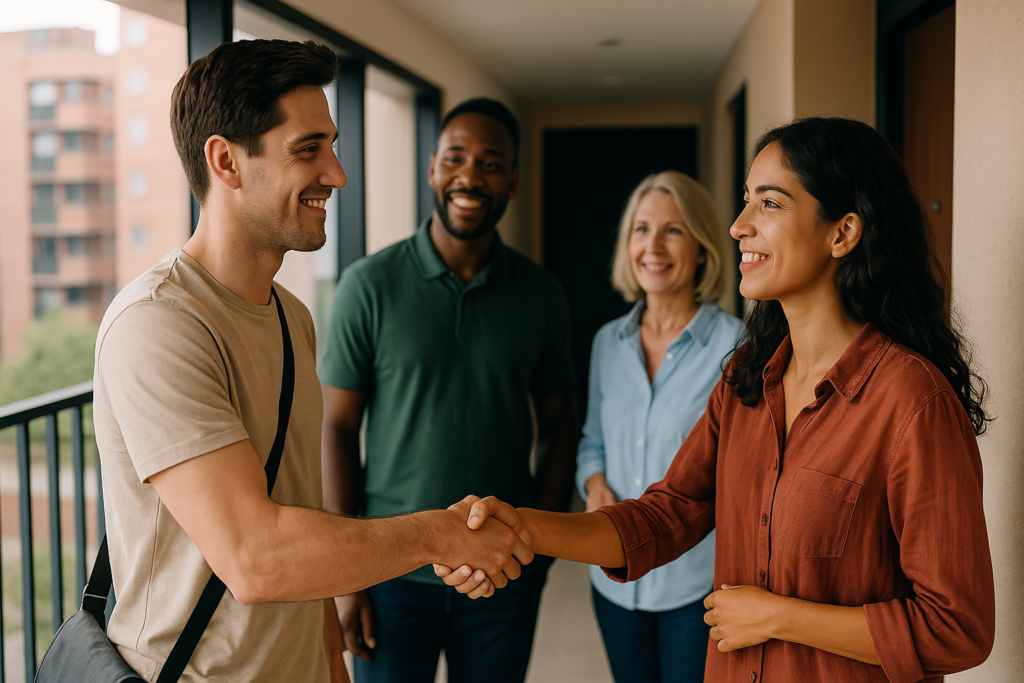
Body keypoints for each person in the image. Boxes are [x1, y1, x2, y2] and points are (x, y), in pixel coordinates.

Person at [438, 117, 996, 682]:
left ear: (843, 233)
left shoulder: (912, 402)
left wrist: (780, 618)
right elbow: (667, 513)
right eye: (745, 202)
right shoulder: (746, 382)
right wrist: (524, 527)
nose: (737, 226)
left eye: (770, 204)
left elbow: (957, 627)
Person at [93, 40, 531, 683]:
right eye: (308, 149)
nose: (337, 173)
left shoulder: (291, 316)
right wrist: (441, 534)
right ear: (226, 162)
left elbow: (298, 505)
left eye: (331, 145)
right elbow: (255, 556)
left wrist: (330, 657)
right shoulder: (157, 323)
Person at [318, 97, 578, 683]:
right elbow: (336, 428)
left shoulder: (540, 294)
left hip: (502, 570)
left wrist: (541, 553)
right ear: (433, 167)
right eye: (456, 158)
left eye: (490, 164)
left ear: (511, 181)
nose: (470, 176)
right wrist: (346, 575)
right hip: (388, 571)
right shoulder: (369, 286)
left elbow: (561, 426)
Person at [576, 171, 743, 683]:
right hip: (614, 581)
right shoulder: (608, 342)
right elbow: (592, 442)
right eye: (641, 229)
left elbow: (742, 471)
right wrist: (595, 483)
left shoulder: (736, 346)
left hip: (695, 587)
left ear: (701, 247)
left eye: (672, 230)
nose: (653, 245)